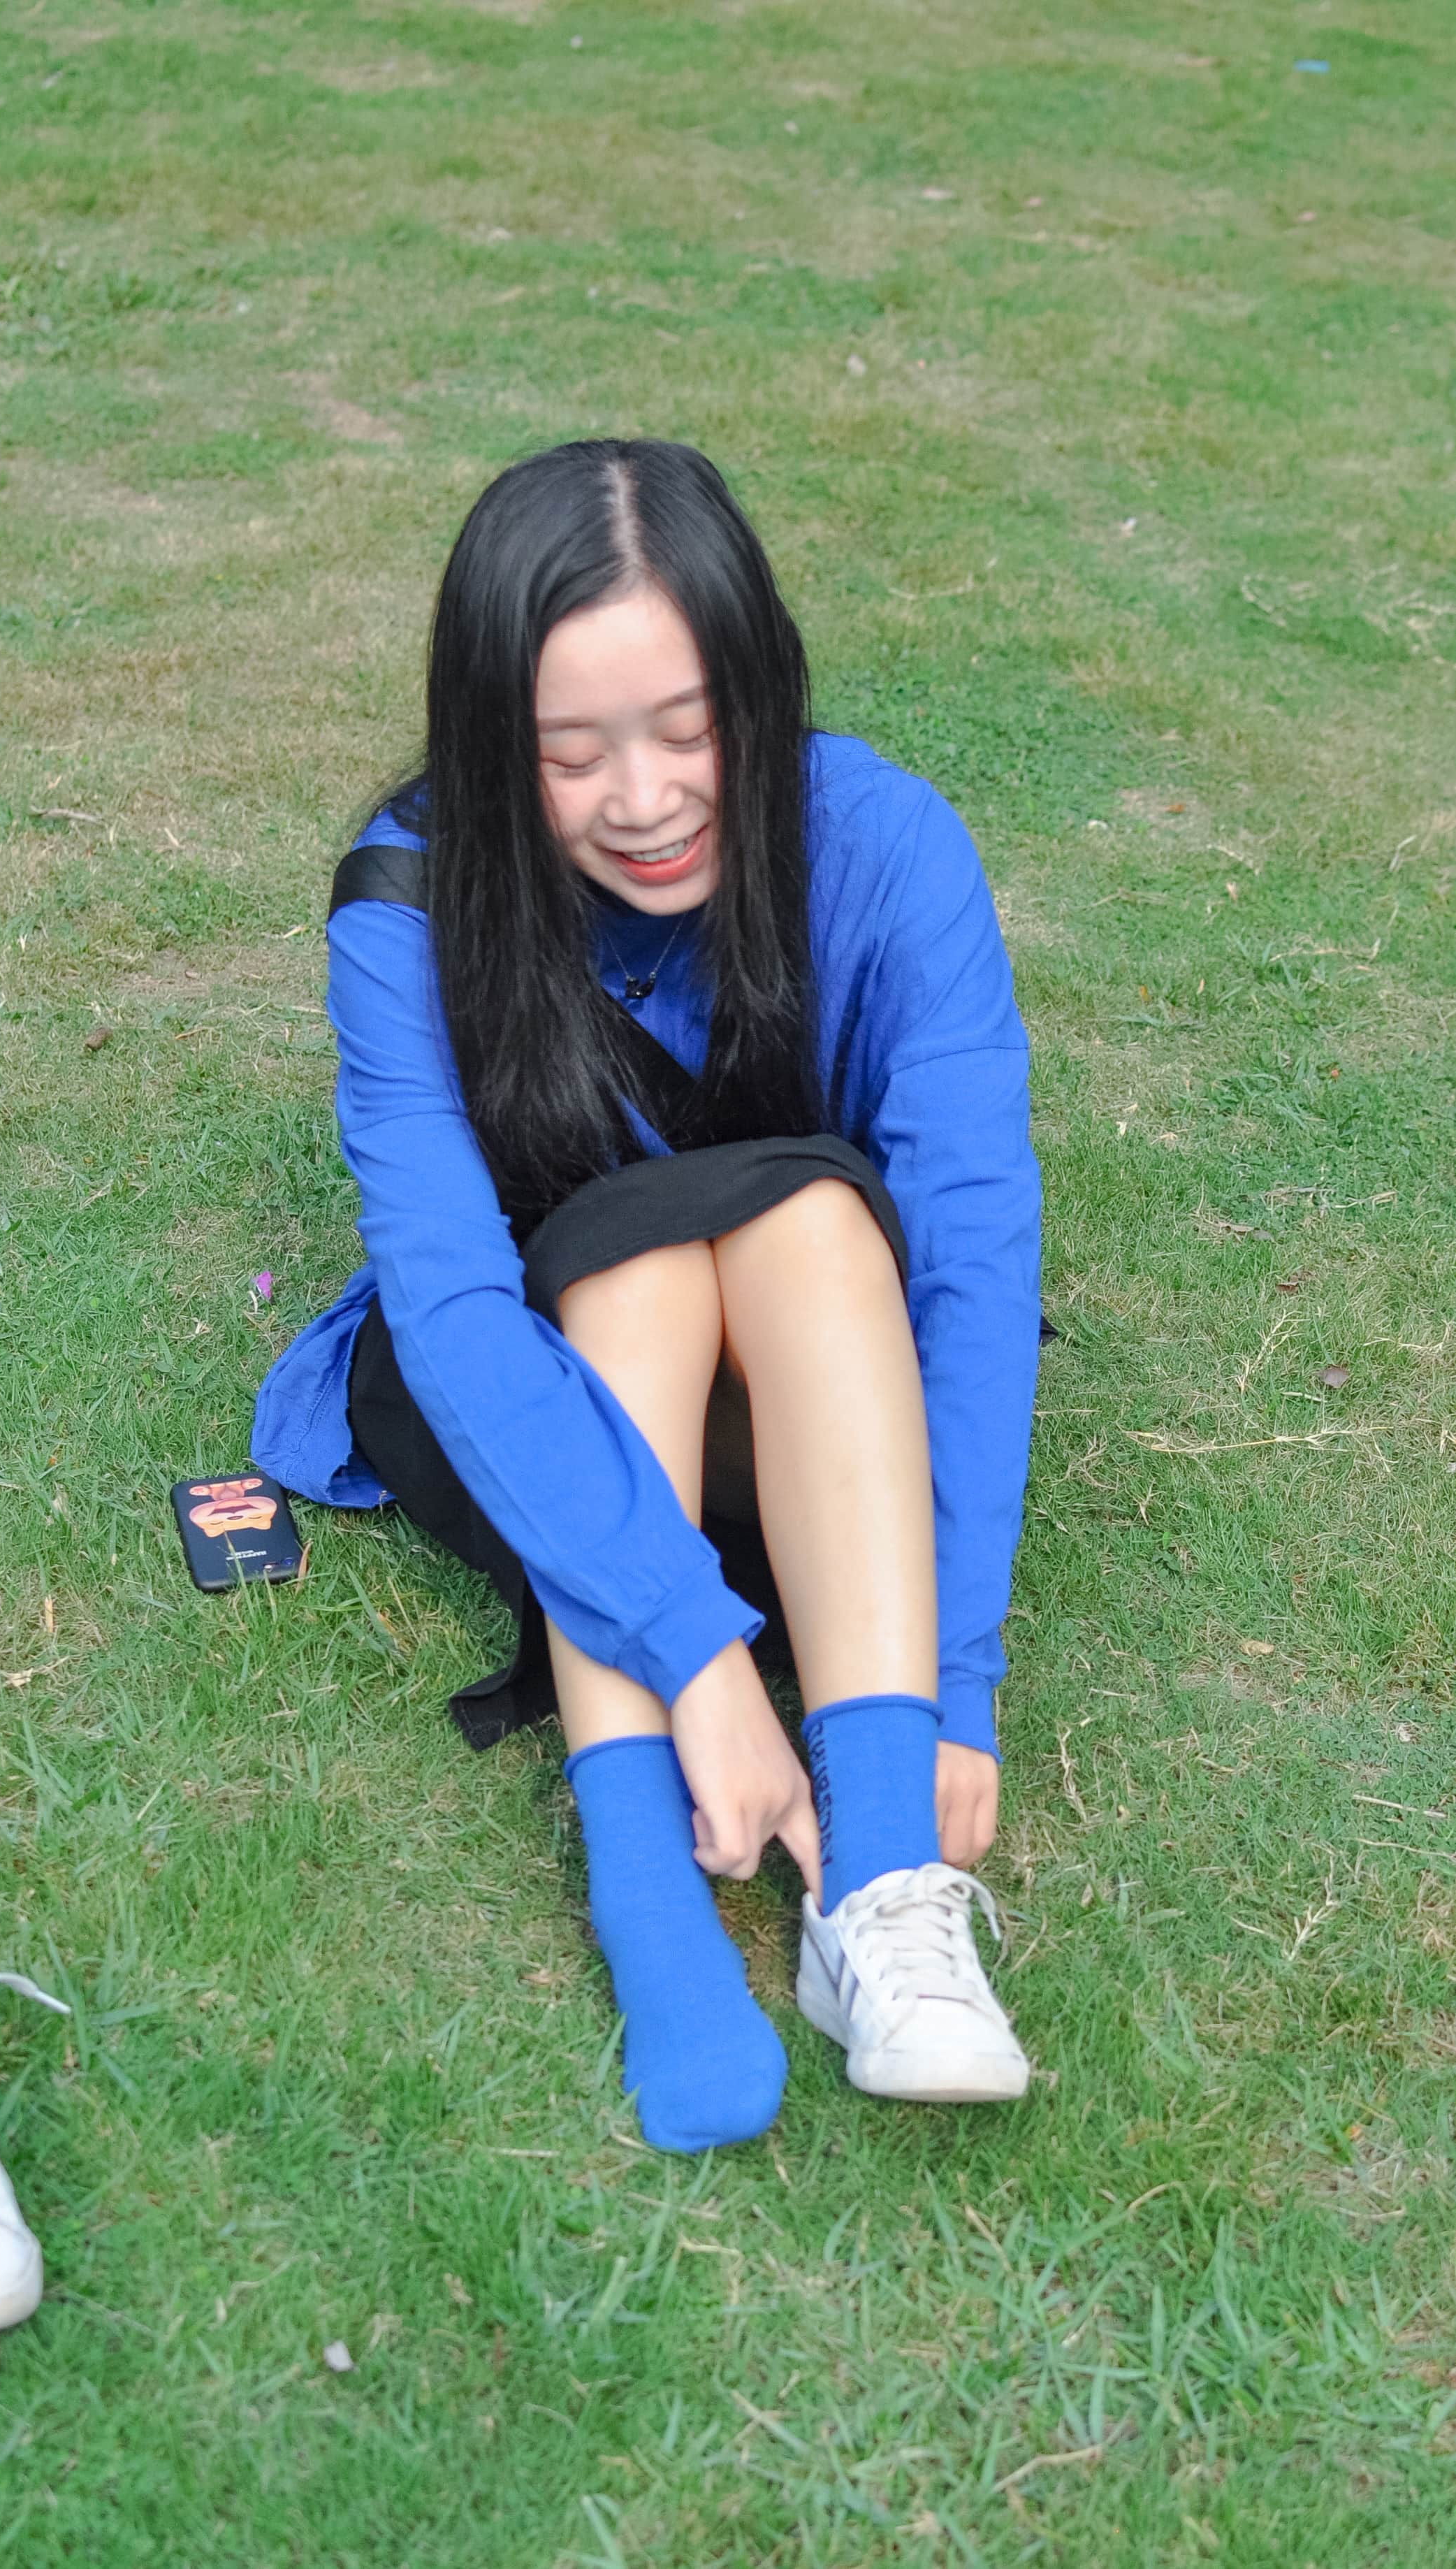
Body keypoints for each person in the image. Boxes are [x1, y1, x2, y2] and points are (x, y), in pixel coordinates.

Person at [254, 440, 1041, 2154]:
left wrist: (955, 1679)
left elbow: (977, 1265)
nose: (647, 797)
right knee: (634, 1254)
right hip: (523, 1391)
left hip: (814, 1416)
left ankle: (883, 1886)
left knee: (813, 1221)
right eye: (567, 753)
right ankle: (645, 1879)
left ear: (758, 679)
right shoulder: (406, 904)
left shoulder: (890, 845)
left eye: (689, 727)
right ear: (488, 745)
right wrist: (699, 1657)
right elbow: (457, 1310)